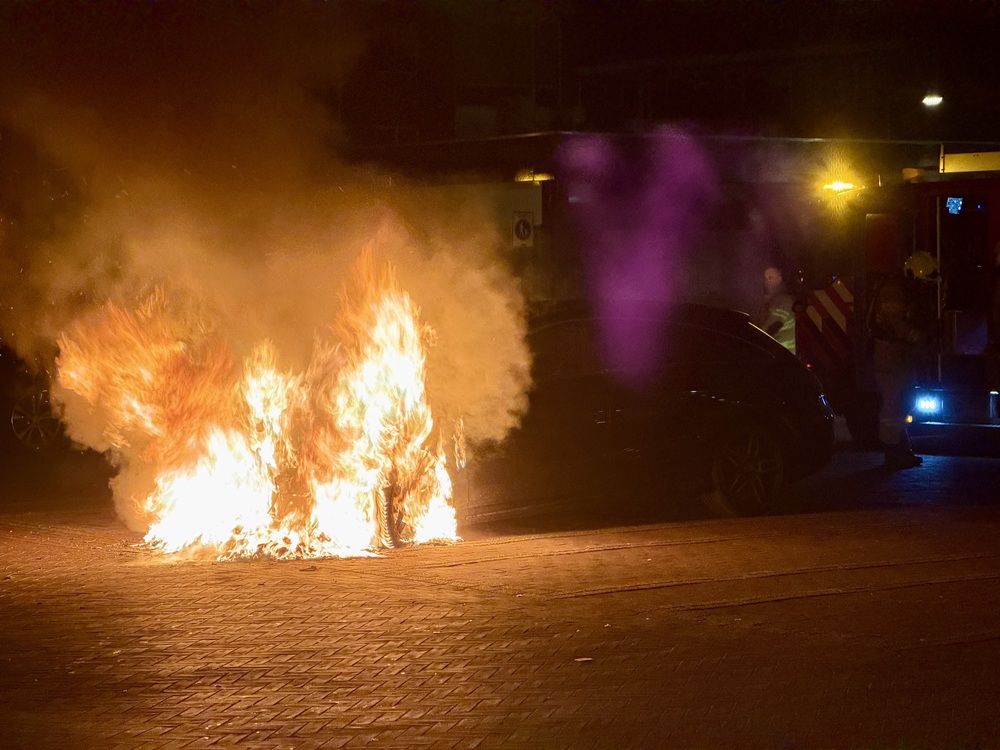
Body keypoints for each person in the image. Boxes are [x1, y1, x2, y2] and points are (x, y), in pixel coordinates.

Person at [868, 251, 939, 470]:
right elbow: (898, 326)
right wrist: (921, 338)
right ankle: (892, 454)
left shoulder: (906, 290)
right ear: (912, 275)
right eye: (922, 282)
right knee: (892, 405)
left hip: (900, 356)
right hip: (889, 355)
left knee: (902, 403)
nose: (924, 288)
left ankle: (902, 451)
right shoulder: (893, 292)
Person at [751, 265, 796, 354]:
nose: (767, 282)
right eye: (765, 278)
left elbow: (772, 326)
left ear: (780, 279)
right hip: (780, 353)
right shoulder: (772, 300)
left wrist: (754, 341)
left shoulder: (783, 300)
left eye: (771, 278)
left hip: (785, 354)